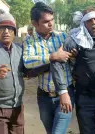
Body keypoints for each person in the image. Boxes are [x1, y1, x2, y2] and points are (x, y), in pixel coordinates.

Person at [51, 7, 95, 134]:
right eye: (88, 20)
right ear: (83, 23)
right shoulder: (75, 40)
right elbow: (57, 63)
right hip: (85, 97)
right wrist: (63, 91)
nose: (93, 22)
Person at [23, 2, 74, 134]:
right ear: (34, 23)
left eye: (52, 20)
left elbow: (73, 59)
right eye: (46, 21)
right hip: (44, 97)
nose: (51, 24)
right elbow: (28, 61)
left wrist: (74, 55)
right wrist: (53, 56)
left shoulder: (63, 37)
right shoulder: (29, 41)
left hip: (65, 94)